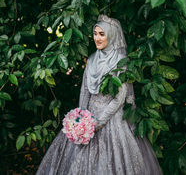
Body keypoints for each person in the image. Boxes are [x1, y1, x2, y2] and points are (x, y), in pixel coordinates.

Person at [36, 15, 162, 174]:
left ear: (111, 35)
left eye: (102, 34)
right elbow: (84, 90)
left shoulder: (121, 61)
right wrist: (80, 118)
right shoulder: (92, 58)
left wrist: (98, 124)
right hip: (89, 116)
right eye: (95, 33)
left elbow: (119, 98)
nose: (97, 38)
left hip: (111, 118)